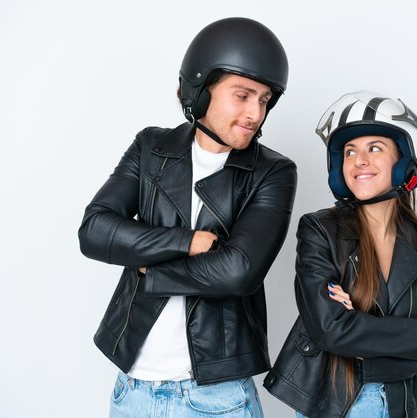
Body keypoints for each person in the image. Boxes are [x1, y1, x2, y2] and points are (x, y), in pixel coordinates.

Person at [78, 17, 296, 417]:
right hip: (133, 391)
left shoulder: (274, 172)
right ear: (200, 90)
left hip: (217, 398)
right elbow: (94, 230)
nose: (255, 114)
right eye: (243, 95)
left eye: (264, 100)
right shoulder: (150, 148)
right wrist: (187, 242)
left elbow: (239, 271)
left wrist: (151, 269)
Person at [264, 91, 417, 418]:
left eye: (375, 148)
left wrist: (359, 330)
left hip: (407, 407)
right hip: (341, 405)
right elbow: (331, 331)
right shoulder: (319, 231)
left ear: (403, 162)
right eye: (350, 151)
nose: (359, 160)